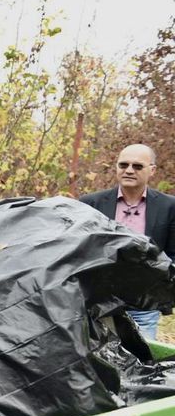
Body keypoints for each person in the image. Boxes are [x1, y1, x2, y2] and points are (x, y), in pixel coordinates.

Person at [78, 143, 175, 339]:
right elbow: (79, 249)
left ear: (152, 170)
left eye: (137, 166)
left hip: (144, 302)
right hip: (98, 300)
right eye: (123, 165)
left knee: (141, 351)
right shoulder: (90, 203)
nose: (129, 170)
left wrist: (160, 285)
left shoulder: (169, 206)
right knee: (96, 351)